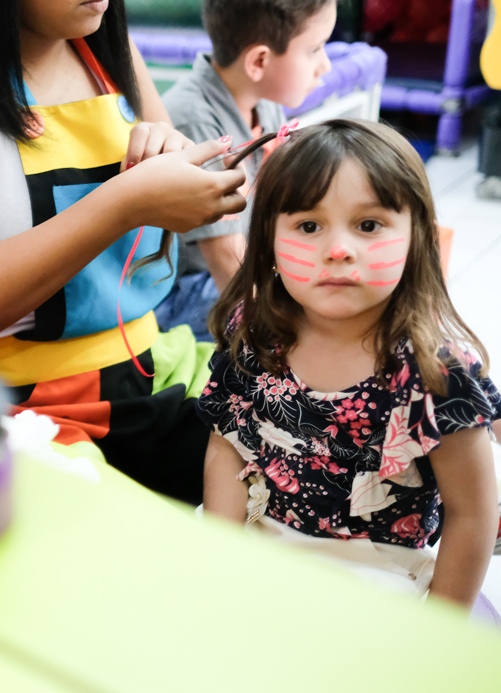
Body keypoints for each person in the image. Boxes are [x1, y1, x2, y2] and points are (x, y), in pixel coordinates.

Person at [0, 0, 247, 503]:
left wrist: (171, 153)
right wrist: (121, 203)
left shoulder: (106, 51)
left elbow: (181, 179)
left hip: (153, 367)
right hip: (23, 406)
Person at [198, 119, 500, 611]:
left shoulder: (434, 371)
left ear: (415, 237)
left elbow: (473, 512)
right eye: (309, 226)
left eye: (368, 225)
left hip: (377, 573)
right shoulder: (254, 333)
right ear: (270, 240)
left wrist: (440, 635)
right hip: (261, 541)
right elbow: (227, 450)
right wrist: (221, 567)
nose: (338, 250)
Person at [157, 0, 336, 341]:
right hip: (187, 289)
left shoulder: (263, 101)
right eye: (314, 49)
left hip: (243, 262)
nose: (324, 65)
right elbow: (226, 263)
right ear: (259, 61)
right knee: (318, 314)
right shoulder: (195, 121)